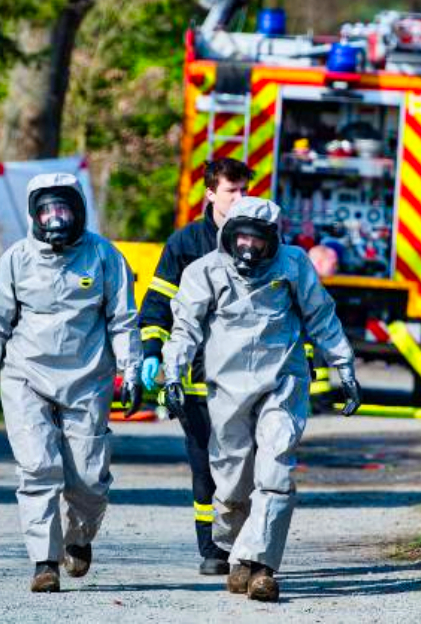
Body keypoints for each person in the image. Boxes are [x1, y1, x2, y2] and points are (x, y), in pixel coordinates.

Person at [161, 196, 361, 602]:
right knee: (232, 484)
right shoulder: (205, 271)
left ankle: (263, 568)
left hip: (282, 383)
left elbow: (321, 316)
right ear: (228, 238)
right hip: (226, 389)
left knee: (275, 472)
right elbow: (184, 327)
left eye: (258, 241)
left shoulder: (293, 265)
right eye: (242, 240)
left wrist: (345, 367)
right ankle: (239, 554)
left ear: (273, 240)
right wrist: (172, 373)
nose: (249, 249)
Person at [0, 172, 143, 593]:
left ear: (78, 210)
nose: (56, 218)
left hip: (88, 380)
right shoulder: (15, 259)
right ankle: (44, 562)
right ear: (34, 214)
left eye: (63, 209)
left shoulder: (104, 257)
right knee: (38, 468)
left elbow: (123, 320)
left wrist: (131, 370)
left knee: (88, 480)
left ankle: (78, 539)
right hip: (27, 378)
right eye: (47, 210)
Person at [138, 158, 253, 575]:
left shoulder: (261, 240)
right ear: (209, 194)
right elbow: (157, 306)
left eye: (244, 190)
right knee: (205, 467)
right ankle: (213, 550)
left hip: (247, 378)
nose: (240, 199)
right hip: (197, 380)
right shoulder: (185, 244)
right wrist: (151, 353)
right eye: (231, 191)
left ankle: (245, 545)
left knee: (244, 467)